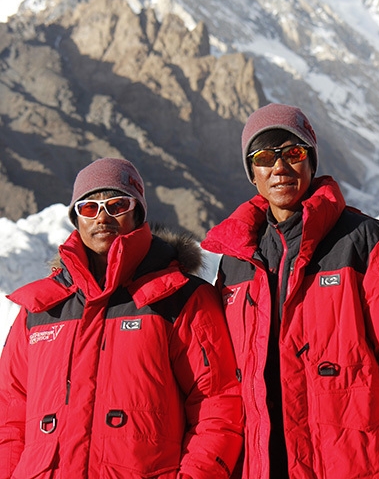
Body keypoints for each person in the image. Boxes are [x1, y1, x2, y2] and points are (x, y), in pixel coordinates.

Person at [202, 103, 379, 479]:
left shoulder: (368, 243)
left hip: (354, 467)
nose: (280, 167)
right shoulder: (237, 261)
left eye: (294, 153)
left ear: (312, 162)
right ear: (252, 172)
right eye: (265, 157)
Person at [0, 157, 243, 479]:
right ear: (76, 218)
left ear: (137, 212)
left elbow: (217, 403)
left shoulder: (180, 298)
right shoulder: (40, 309)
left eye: (116, 205)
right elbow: (10, 416)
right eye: (89, 208)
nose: (102, 217)